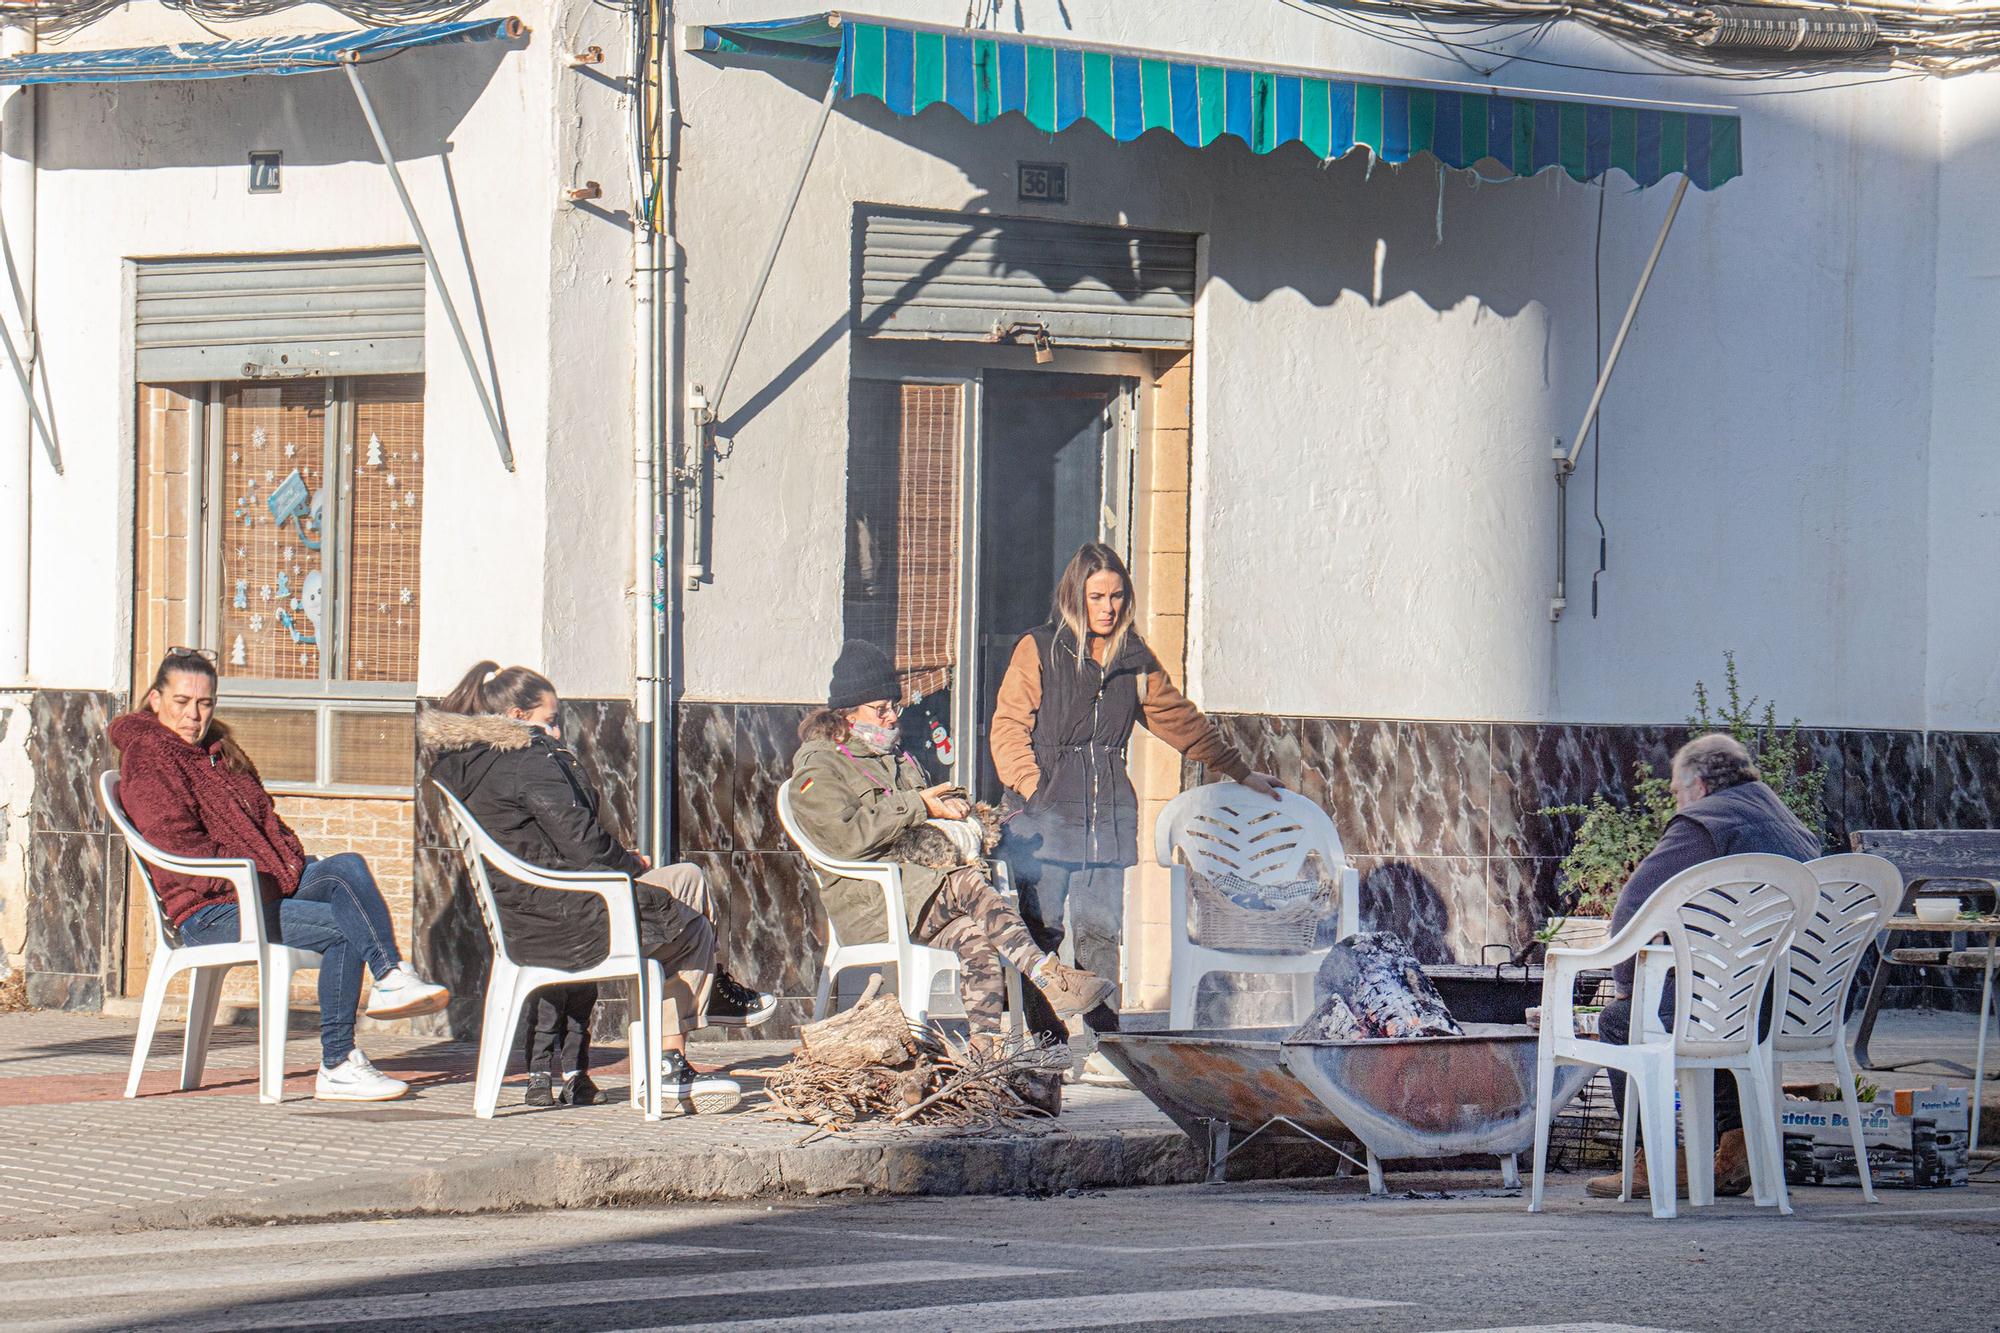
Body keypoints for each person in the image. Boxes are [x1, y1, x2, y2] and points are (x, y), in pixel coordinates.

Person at [426, 662, 775, 1113]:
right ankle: (673, 1057)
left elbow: (558, 843)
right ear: (516, 716)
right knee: (691, 931)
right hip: (566, 917)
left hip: (534, 911)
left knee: (686, 879)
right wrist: (629, 862)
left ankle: (705, 1005)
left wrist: (625, 865)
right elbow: (585, 845)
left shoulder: (472, 762)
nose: (556, 729)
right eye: (549, 719)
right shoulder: (527, 760)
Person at [111, 649, 449, 1102]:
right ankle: (337, 1063)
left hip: (258, 888)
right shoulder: (149, 754)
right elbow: (177, 844)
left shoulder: (216, 753)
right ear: (155, 699)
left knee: (345, 866)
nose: (194, 715)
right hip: (211, 910)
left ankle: (390, 978)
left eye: (205, 703)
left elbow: (267, 821)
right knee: (343, 932)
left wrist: (288, 862)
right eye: (181, 701)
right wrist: (270, 872)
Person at [989, 542, 1284, 1062]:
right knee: (1043, 931)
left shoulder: (1134, 658)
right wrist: (1035, 788)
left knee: (1102, 930)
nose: (1107, 607)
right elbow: (1009, 727)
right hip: (1044, 816)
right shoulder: (1038, 648)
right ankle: (1044, 1045)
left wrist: (1238, 769)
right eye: (1097, 596)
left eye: (1117, 596)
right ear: (1075, 596)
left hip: (1108, 814)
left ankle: (1107, 1045)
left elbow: (1180, 720)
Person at [789, 640, 1114, 1046]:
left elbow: (924, 816)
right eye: (880, 708)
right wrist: (918, 806)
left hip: (921, 895)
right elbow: (844, 838)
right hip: (874, 902)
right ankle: (1050, 977)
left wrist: (954, 810)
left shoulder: (898, 758)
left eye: (895, 705)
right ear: (846, 713)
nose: (891, 716)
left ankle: (983, 1048)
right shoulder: (820, 765)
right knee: (966, 883)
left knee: (977, 937)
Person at [1586, 732, 1820, 1201]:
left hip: (1733, 1007)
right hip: (1797, 1005)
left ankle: (1654, 1161)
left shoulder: (1704, 823)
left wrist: (1627, 985)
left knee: (1622, 1022)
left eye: (1675, 791)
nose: (1677, 799)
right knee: (1712, 1015)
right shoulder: (1791, 824)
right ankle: (1736, 1149)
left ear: (1698, 785)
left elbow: (1636, 905)